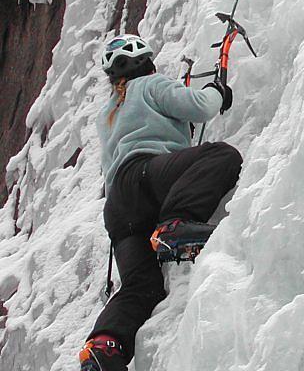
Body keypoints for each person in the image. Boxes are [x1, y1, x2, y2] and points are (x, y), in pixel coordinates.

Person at [79, 34, 243, 370]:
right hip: (147, 175)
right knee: (222, 156)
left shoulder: (108, 112)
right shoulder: (151, 85)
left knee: (143, 286)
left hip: (119, 209)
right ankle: (176, 224)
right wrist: (218, 90)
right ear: (147, 63)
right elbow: (201, 107)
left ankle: (105, 345)